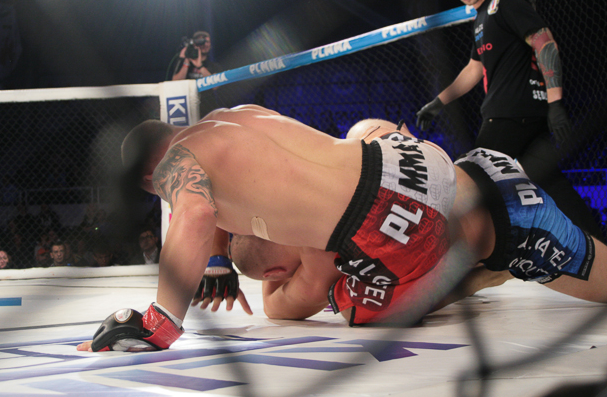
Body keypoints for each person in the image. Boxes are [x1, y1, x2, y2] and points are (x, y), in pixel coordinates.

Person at [77, 104, 458, 352]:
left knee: (343, 304)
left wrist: (160, 321)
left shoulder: (171, 166)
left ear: (149, 178)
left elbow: (195, 212)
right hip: (418, 161)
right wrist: (217, 256)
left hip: (391, 223)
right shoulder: (234, 116)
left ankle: (469, 269)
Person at [227, 118, 605, 324]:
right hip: (476, 164)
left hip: (518, 226)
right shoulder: (308, 168)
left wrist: (238, 256)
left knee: (356, 308)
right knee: (364, 133)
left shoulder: (317, 263)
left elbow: (276, 307)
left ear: (277, 272)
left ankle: (488, 273)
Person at [415, 0, 602, 240]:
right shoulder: (481, 17)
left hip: (508, 113)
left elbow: (545, 43)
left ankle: (465, 252)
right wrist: (438, 102)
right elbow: (474, 68)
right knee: (553, 184)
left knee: (470, 179)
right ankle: (598, 241)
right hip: (524, 116)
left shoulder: (506, 2)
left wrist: (555, 102)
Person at [171, 31, 222, 117]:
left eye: (207, 41)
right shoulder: (184, 63)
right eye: (202, 41)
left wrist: (200, 66)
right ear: (195, 44)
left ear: (210, 44)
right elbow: (175, 82)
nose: (205, 44)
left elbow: (215, 86)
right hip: (187, 109)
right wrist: (186, 62)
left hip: (208, 109)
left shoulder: (214, 66)